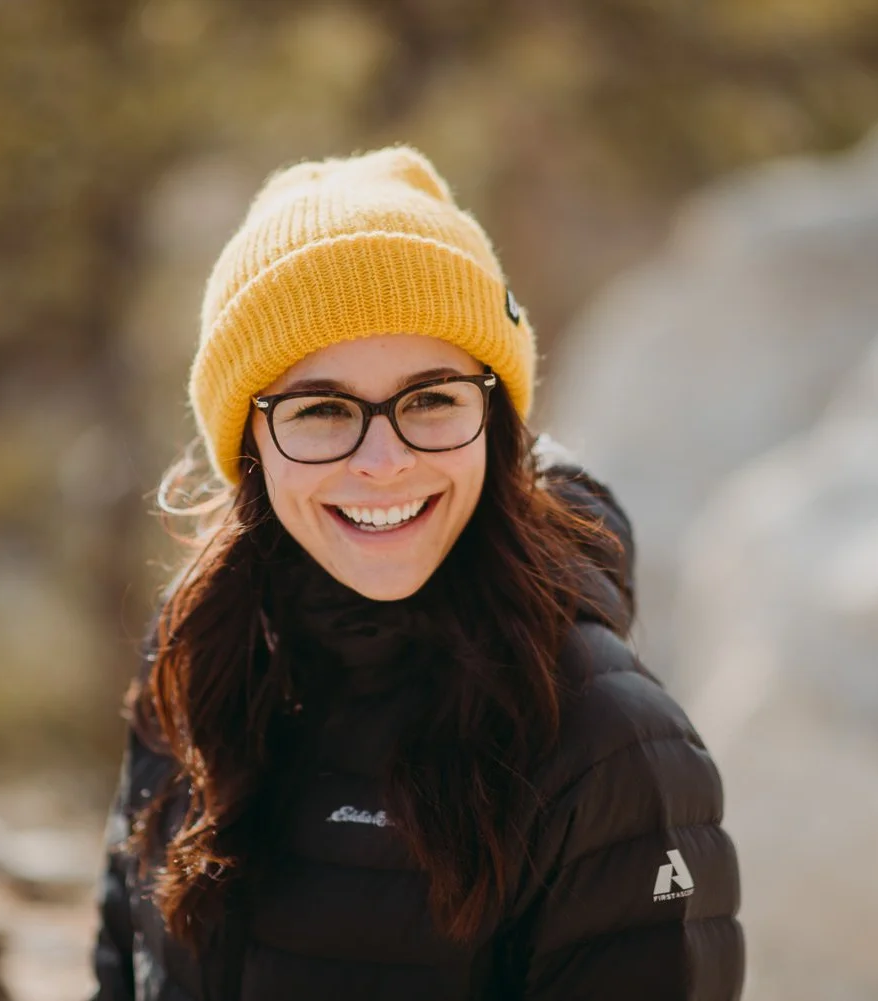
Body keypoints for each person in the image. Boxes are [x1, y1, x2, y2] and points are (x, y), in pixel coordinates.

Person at [90, 146, 743, 1000]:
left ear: (495, 423)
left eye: (431, 398)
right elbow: (121, 965)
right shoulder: (194, 654)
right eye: (322, 409)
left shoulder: (608, 748)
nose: (384, 461)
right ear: (247, 446)